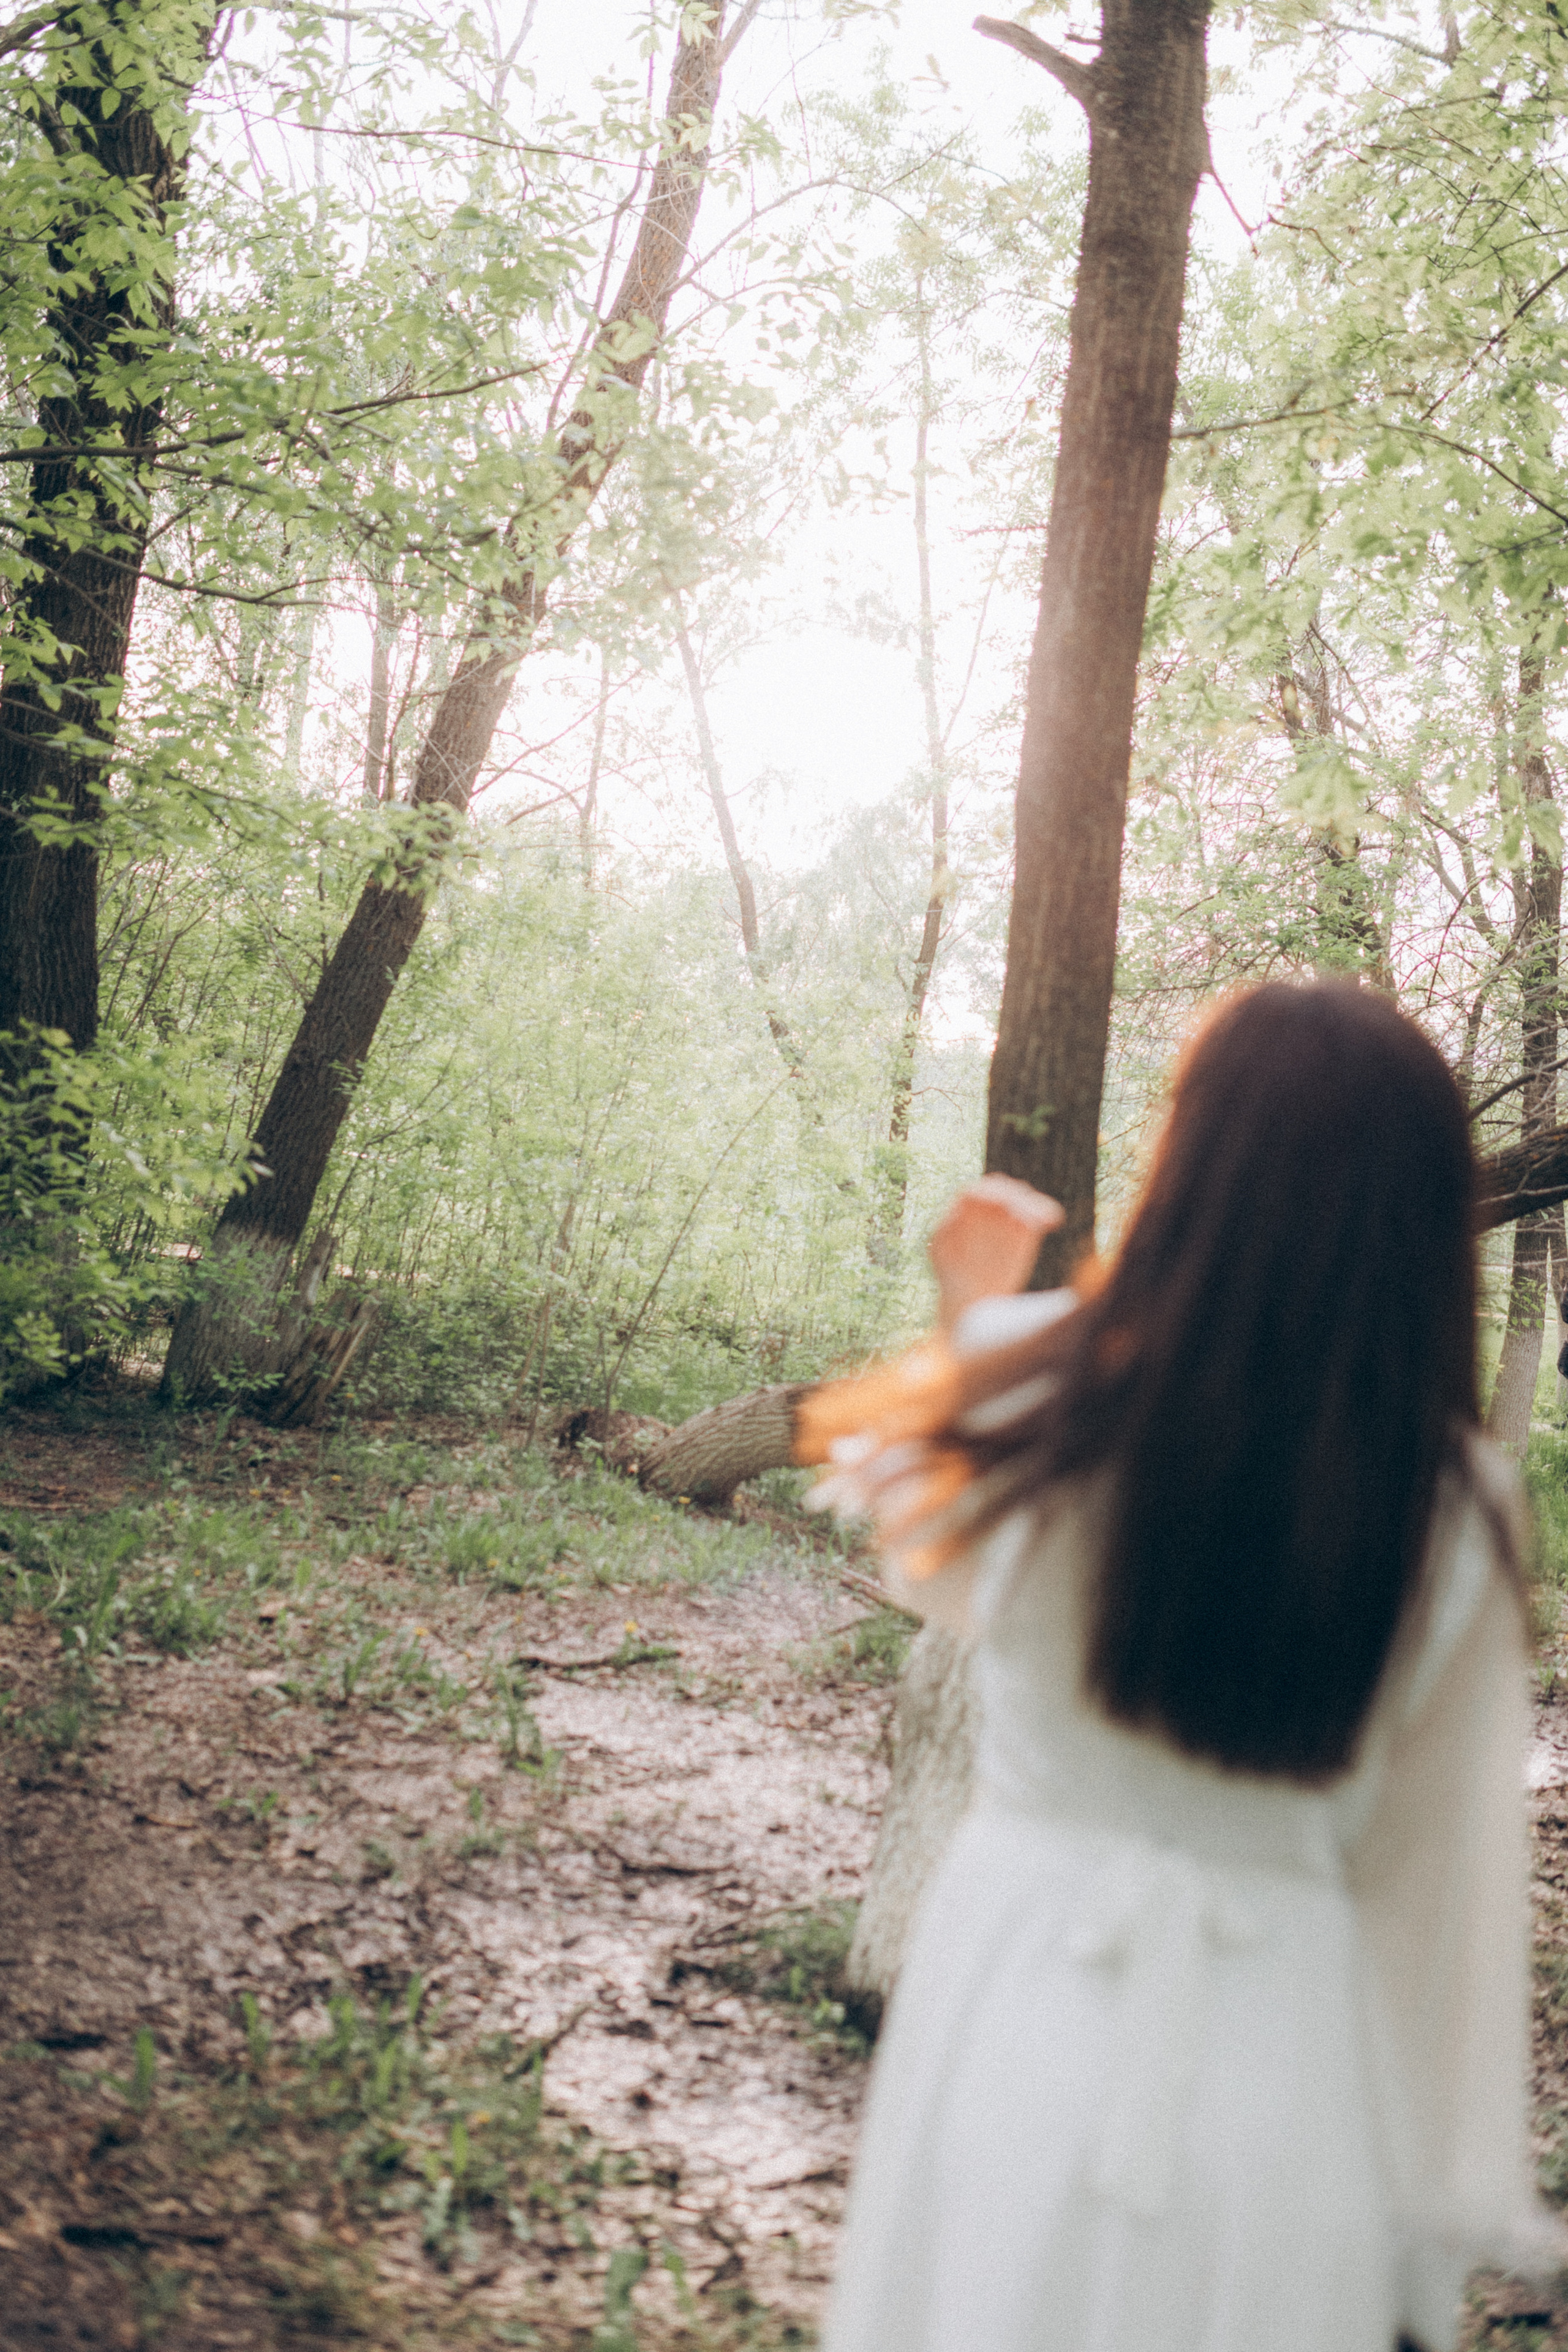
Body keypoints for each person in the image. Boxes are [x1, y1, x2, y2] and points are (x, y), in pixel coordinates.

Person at [799, 981, 1566, 2352]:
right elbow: (1436, 1884)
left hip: (1016, 1993)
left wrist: (967, 1313)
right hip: (1288, 2045)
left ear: (1187, 1167)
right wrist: (1423, 2234)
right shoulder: (1457, 1507)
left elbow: (925, 1560)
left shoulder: (1042, 1389)